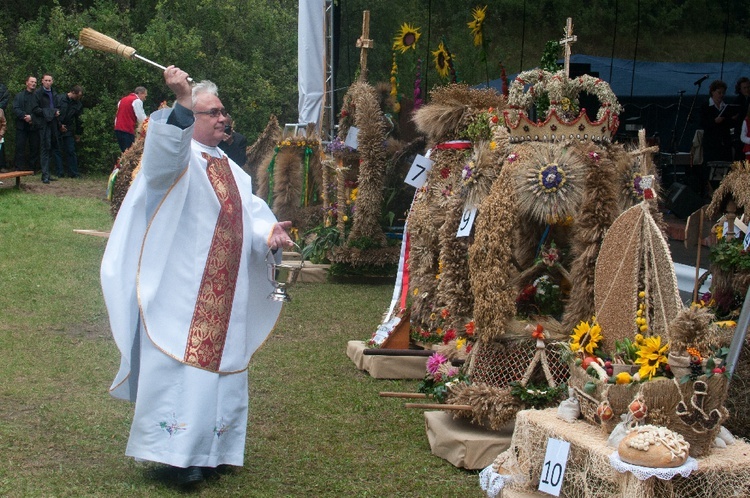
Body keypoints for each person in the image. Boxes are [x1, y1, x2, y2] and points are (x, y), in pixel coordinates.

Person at [100, 66, 294, 487]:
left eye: (224, 112)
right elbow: (163, 156)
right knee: (185, 366)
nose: (223, 118)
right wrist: (182, 99)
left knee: (223, 366)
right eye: (213, 112)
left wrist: (270, 232)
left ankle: (213, 451)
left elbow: (252, 215)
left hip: (225, 290)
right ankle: (176, 456)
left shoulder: (230, 166)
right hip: (183, 287)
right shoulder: (176, 156)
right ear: (192, 117)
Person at [698, 80, 736, 194]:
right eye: (719, 93)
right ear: (713, 92)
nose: (721, 95)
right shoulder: (706, 106)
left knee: (725, 168)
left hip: (724, 143)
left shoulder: (725, 106)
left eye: (723, 93)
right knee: (710, 169)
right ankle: (709, 191)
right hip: (711, 143)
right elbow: (702, 123)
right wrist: (714, 121)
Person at [33, 73, 60, 184]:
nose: (48, 82)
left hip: (53, 123)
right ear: (42, 81)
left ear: (52, 81)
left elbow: (57, 106)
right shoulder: (37, 94)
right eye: (46, 80)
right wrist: (51, 112)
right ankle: (44, 175)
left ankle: (48, 173)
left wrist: (57, 113)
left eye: (50, 80)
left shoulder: (54, 93)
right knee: (44, 148)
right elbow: (35, 109)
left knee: (51, 147)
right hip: (43, 124)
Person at [54, 85, 84, 178]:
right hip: (56, 126)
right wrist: (59, 125)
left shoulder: (78, 104)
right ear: (72, 92)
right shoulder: (59, 98)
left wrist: (79, 133)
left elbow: (79, 120)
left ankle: (73, 173)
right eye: (78, 96)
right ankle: (59, 172)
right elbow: (53, 113)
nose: (79, 98)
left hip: (68, 128)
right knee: (57, 150)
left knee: (71, 150)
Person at [12, 75, 40, 172]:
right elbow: (15, 108)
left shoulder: (38, 96)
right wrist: (25, 116)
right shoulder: (19, 96)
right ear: (26, 83)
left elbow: (41, 110)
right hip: (21, 126)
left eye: (35, 82)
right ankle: (18, 168)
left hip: (34, 126)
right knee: (20, 147)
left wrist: (32, 117)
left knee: (34, 147)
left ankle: (33, 168)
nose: (33, 84)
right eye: (32, 82)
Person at [114, 86, 148, 152]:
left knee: (124, 152)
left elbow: (117, 116)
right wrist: (147, 125)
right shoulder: (137, 101)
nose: (145, 99)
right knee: (129, 153)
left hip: (118, 129)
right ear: (141, 93)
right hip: (127, 129)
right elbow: (141, 117)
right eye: (145, 96)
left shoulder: (122, 100)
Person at [732, 77, 750, 161]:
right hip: (740, 131)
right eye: (744, 88)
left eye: (748, 87)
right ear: (740, 89)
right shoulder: (737, 101)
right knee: (740, 156)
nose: (747, 90)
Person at [0, 81, 9, 172]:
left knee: (1, 143)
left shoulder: (2, 88)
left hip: (0, 116)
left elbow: (5, 100)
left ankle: (2, 165)